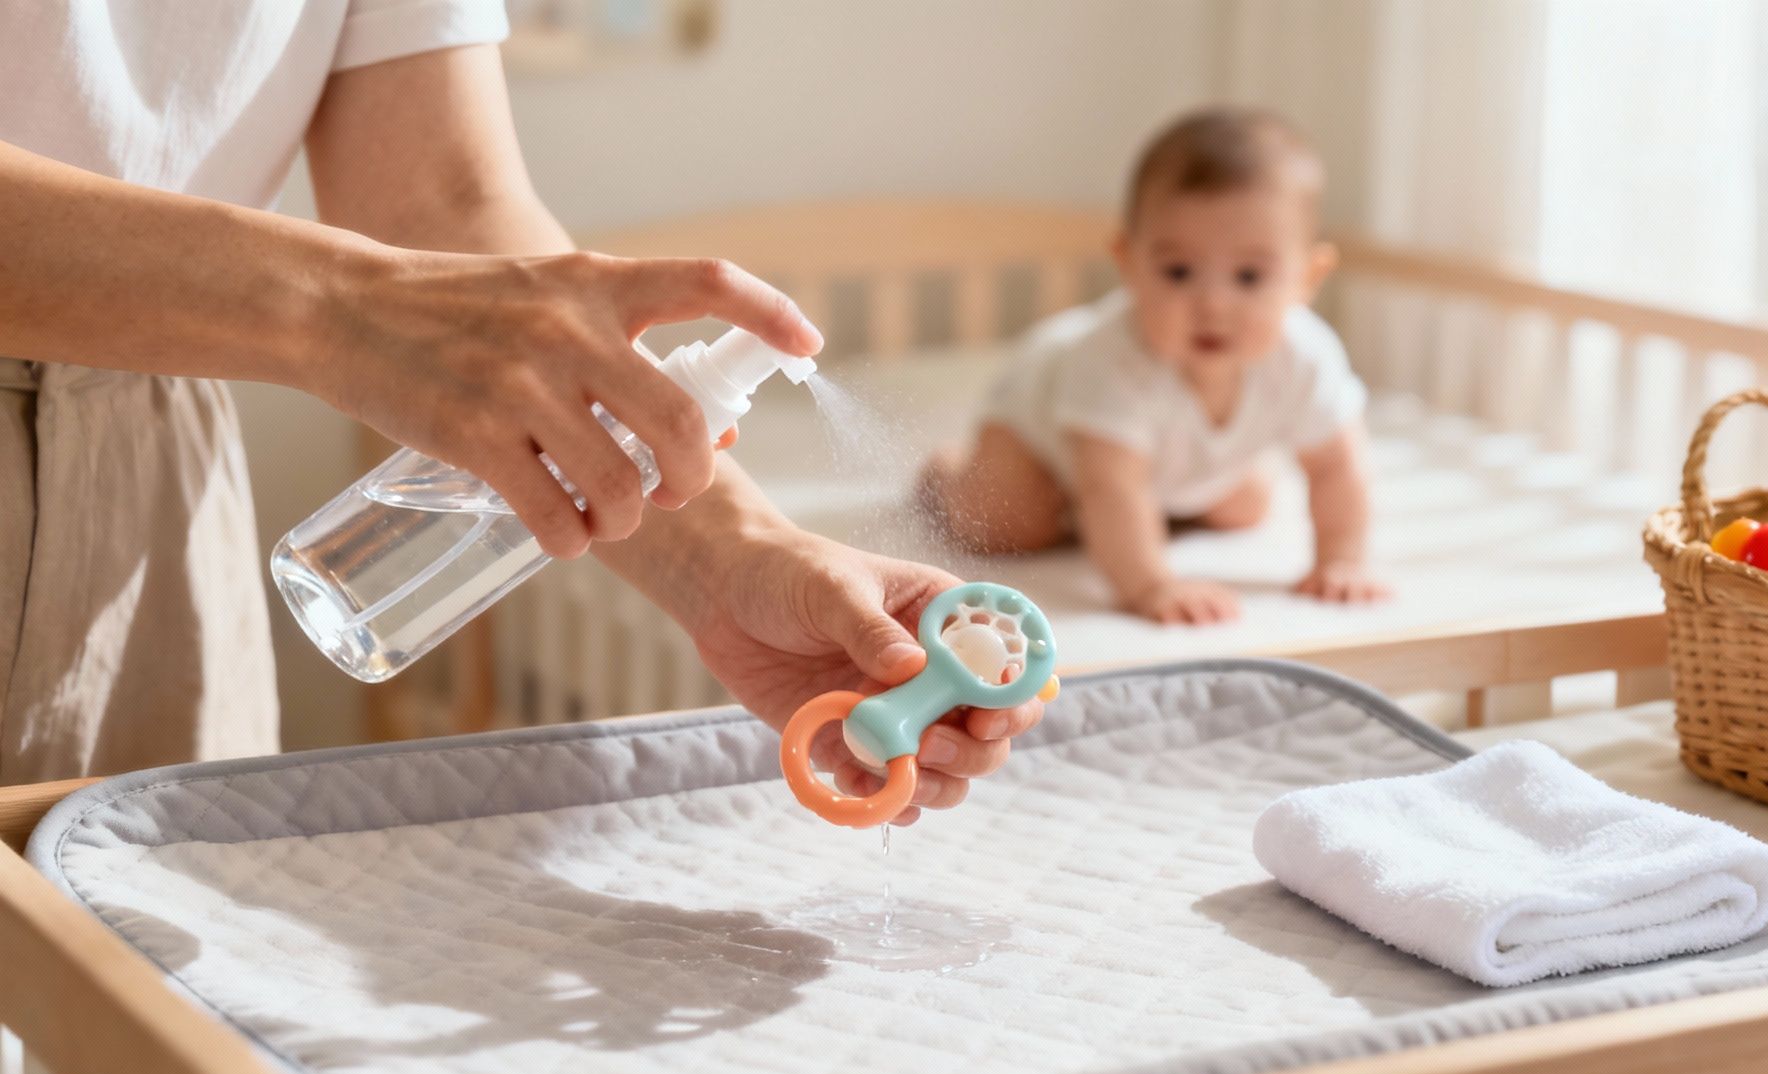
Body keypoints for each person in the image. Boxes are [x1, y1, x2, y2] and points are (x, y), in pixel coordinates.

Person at [0, 2, 1036, 824]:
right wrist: (338, 309)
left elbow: (444, 205)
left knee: (113, 1027)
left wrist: (738, 561)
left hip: (150, 459)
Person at [919, 108, 1388, 626]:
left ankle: (1157, 501)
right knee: (1009, 525)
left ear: (1308, 277)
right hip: (1043, 433)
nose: (1213, 304)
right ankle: (944, 473)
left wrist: (1342, 560)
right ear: (1128, 262)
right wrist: (1151, 584)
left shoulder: (1306, 355)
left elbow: (1336, 467)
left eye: (1250, 277)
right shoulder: (1109, 360)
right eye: (1178, 272)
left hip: (1155, 460)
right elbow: (1110, 487)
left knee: (1245, 507)